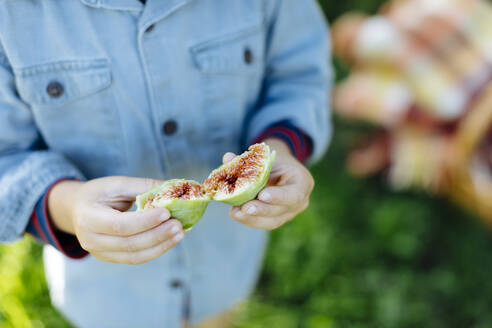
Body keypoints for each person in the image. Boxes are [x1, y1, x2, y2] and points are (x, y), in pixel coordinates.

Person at [0, 0, 331, 327]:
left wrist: (280, 148)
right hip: (108, 296)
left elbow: (299, 75)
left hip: (224, 263)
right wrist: (69, 207)